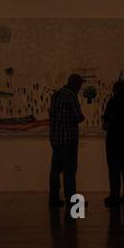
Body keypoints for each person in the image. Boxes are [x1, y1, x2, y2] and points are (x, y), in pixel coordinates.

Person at [48, 73, 84, 208]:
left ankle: (54, 199)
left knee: (55, 171)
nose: (80, 88)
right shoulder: (71, 96)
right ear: (75, 84)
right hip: (68, 139)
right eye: (79, 85)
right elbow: (78, 117)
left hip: (55, 138)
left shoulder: (56, 95)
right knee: (70, 171)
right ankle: (72, 201)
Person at [103, 78, 124, 208]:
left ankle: (115, 196)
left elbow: (106, 124)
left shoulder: (113, 102)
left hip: (114, 141)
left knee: (114, 170)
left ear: (115, 90)